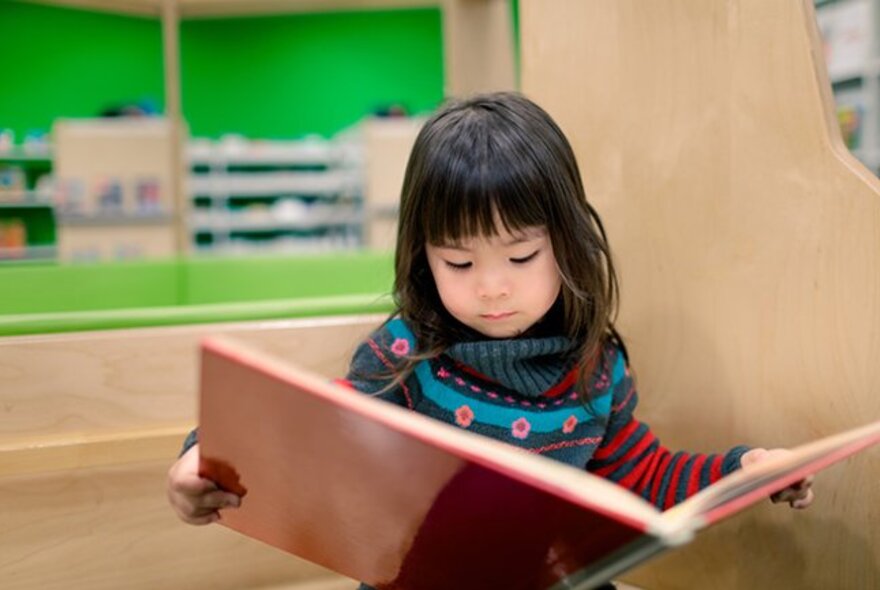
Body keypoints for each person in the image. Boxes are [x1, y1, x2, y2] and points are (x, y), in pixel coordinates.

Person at [167, 92, 813, 587]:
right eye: (460, 264)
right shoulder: (404, 355)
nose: (493, 288)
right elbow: (306, 437)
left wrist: (743, 472)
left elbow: (642, 477)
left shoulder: (596, 367)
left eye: (522, 256)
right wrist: (203, 460)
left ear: (568, 242)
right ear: (423, 259)